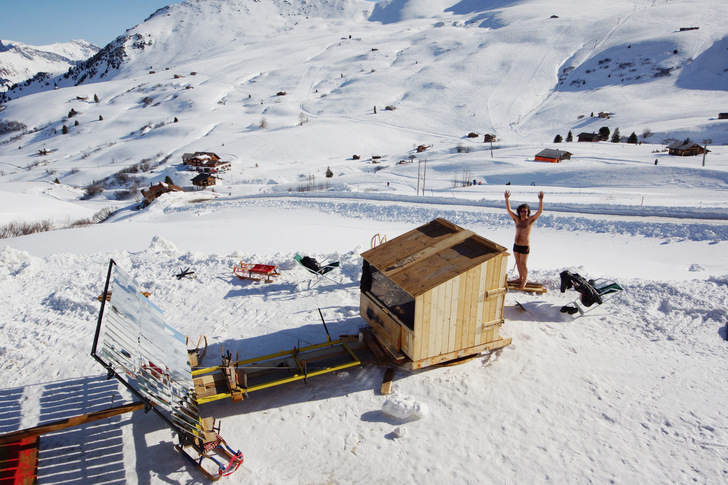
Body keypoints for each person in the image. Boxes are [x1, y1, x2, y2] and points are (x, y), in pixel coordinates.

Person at [504, 190, 544, 289]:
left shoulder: (530, 220)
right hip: (516, 245)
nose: (523, 212)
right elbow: (509, 210)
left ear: (528, 212)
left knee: (523, 264)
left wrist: (541, 200)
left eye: (525, 211)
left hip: (524, 246)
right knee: (517, 262)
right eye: (522, 211)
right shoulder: (516, 219)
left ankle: (524, 281)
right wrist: (506, 199)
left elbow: (539, 212)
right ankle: (520, 277)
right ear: (519, 211)